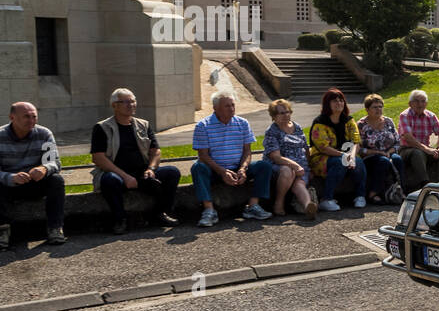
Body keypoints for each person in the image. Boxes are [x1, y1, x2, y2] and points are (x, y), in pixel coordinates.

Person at [90, 88, 181, 234]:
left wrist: (151, 169)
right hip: (118, 175)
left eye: (133, 101)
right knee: (109, 180)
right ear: (114, 106)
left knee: (172, 172)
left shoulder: (143, 125)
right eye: (126, 102)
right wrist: (125, 177)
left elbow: (155, 151)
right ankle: (120, 220)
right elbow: (98, 158)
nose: (131, 104)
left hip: (142, 173)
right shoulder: (102, 128)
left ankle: (162, 213)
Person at [192, 91, 275, 227]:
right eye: (227, 106)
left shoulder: (242, 123)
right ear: (215, 108)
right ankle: (209, 210)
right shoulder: (203, 126)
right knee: (198, 168)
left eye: (233, 105)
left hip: (237, 166)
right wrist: (222, 172)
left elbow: (247, 151)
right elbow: (203, 156)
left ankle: (253, 206)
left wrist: (243, 168)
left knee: (264, 166)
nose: (231, 109)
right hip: (215, 169)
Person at [0, 101, 66, 249]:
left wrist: (44, 169)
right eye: (26, 117)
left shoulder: (44, 133)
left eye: (34, 116)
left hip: (36, 182)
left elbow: (55, 162)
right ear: (12, 117)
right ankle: (2, 230)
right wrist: (11, 177)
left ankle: (55, 228)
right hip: (8, 186)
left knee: (56, 180)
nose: (31, 121)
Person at [309, 88, 367, 212]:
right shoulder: (320, 122)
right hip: (322, 158)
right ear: (327, 104)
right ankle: (326, 199)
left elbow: (356, 141)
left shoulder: (349, 120)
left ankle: (360, 196)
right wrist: (344, 155)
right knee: (340, 162)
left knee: (359, 161)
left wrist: (351, 156)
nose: (339, 103)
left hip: (345, 155)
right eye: (334, 101)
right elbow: (323, 147)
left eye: (341, 101)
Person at [262, 100, 316, 219]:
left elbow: (305, 149)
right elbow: (275, 157)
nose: (286, 115)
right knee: (288, 171)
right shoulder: (272, 131)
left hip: (301, 166)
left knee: (299, 184)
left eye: (287, 112)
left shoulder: (297, 127)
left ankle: (308, 207)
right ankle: (279, 203)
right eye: (281, 113)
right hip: (279, 166)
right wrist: (295, 166)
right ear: (273, 116)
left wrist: (310, 167)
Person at [398, 89, 439, 189]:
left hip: (425, 149)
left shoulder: (430, 116)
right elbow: (408, 138)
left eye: (423, 101)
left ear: (426, 103)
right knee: (418, 153)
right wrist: (427, 149)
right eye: (417, 101)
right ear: (410, 103)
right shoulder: (405, 115)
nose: (420, 104)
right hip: (406, 149)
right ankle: (424, 184)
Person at [358, 94, 405, 204]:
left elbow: (398, 142)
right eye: (375, 107)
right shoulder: (361, 124)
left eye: (380, 106)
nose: (378, 109)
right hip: (370, 156)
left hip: (388, 153)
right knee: (383, 161)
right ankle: (373, 193)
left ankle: (401, 190)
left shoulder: (388, 121)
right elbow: (360, 148)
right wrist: (377, 152)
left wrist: (389, 152)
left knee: (397, 159)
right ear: (367, 109)